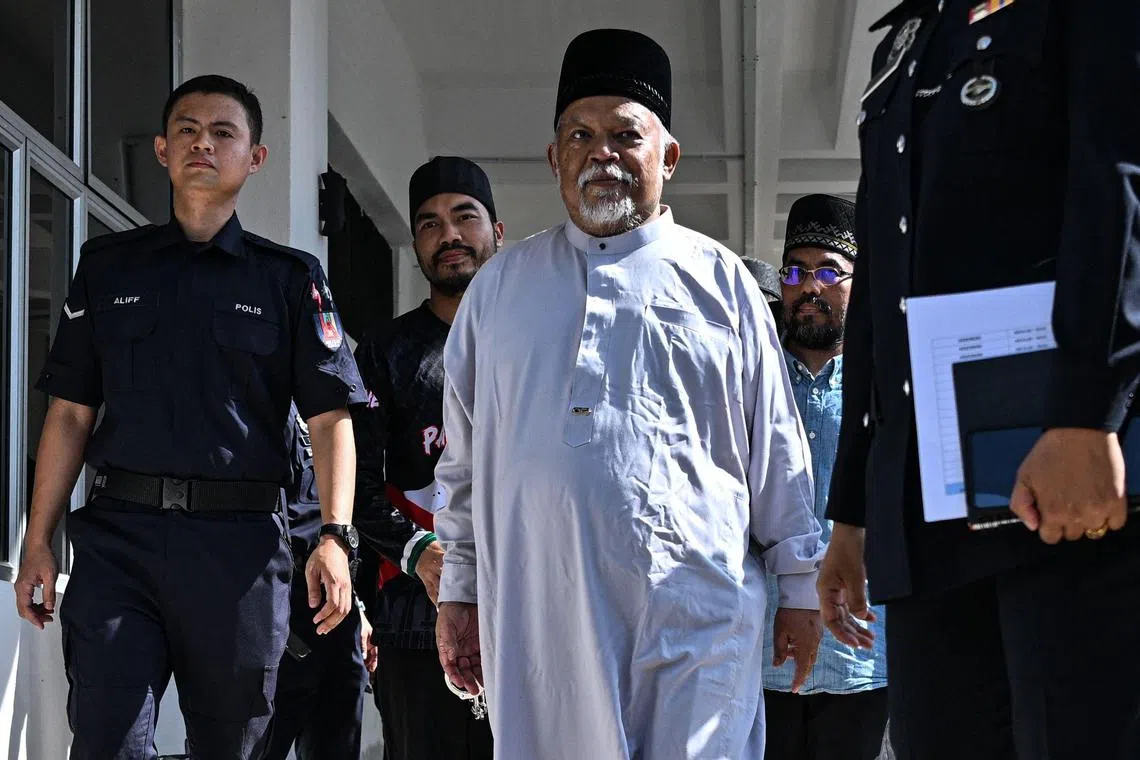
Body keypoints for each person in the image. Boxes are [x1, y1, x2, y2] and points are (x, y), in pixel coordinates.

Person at [433, 29, 832, 759]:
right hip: (542, 630)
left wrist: (800, 588)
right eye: (580, 134)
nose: (601, 153)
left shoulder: (722, 282)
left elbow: (776, 445)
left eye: (626, 134)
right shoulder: (500, 288)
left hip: (694, 628)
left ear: (668, 158)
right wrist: (459, 589)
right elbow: (461, 462)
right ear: (555, 157)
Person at [818, 4, 1140, 759]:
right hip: (929, 505)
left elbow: (1119, 187)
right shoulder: (905, 39)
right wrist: (854, 512)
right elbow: (878, 292)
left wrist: (1088, 413)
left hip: (1054, 473)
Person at [13, 74, 366, 758]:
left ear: (255, 157)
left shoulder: (289, 281)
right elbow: (68, 413)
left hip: (239, 554)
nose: (203, 143)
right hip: (122, 543)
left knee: (232, 747)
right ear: (161, 151)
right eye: (187, 130)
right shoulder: (110, 268)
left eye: (223, 132)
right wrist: (38, 540)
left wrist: (334, 536)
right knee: (108, 742)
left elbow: (330, 419)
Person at [352, 156, 499, 760]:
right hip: (414, 620)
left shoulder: (537, 344)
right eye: (430, 224)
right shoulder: (384, 354)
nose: (450, 236)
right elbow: (356, 490)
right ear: (415, 243)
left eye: (465, 217)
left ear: (497, 230)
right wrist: (422, 554)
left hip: (523, 614)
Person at [760, 196, 887, 760]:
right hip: (764, 650)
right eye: (795, 271)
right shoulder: (749, 379)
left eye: (829, 271)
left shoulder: (884, 381)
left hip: (861, 654)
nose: (809, 285)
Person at [264, 404, 374, 760]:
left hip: (335, 610)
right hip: (267, 607)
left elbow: (341, 517)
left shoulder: (326, 403)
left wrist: (357, 602)